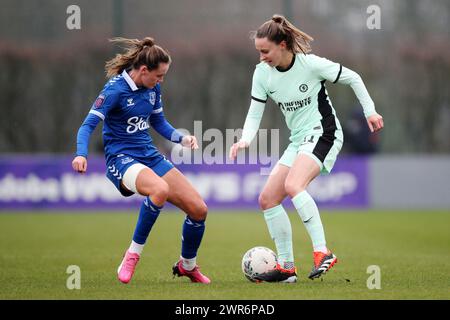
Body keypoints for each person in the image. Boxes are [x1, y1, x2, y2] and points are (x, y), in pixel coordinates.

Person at [229, 15, 383, 282]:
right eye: (258, 51)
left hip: (325, 132)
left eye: (265, 51)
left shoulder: (310, 65)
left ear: (283, 44)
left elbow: (354, 78)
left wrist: (370, 111)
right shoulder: (262, 73)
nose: (262, 56)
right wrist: (245, 139)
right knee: (267, 200)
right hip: (299, 139)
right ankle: (287, 268)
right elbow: (255, 113)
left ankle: (322, 252)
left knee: (293, 184)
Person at [72, 37, 210, 284]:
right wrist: (81, 153)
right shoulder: (114, 91)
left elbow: (158, 122)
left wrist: (181, 138)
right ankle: (132, 254)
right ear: (143, 70)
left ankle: (187, 266)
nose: (161, 81)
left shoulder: (152, 88)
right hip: (121, 158)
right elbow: (87, 126)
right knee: (159, 190)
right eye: (159, 75)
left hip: (149, 155)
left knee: (199, 210)